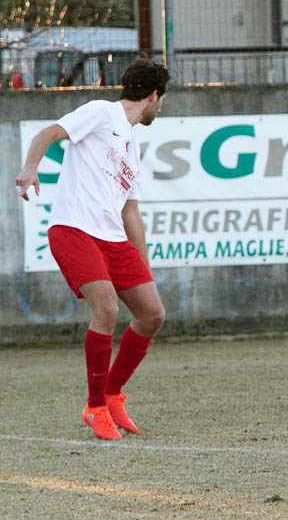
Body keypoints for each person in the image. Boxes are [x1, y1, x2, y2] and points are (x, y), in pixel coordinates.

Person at [15, 56, 171, 440]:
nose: (161, 107)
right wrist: (30, 169)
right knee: (107, 308)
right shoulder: (102, 112)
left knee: (152, 314)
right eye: (163, 100)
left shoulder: (131, 146)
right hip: (73, 229)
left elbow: (130, 212)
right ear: (154, 96)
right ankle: (95, 406)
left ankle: (113, 394)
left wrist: (143, 268)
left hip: (112, 238)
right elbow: (46, 135)